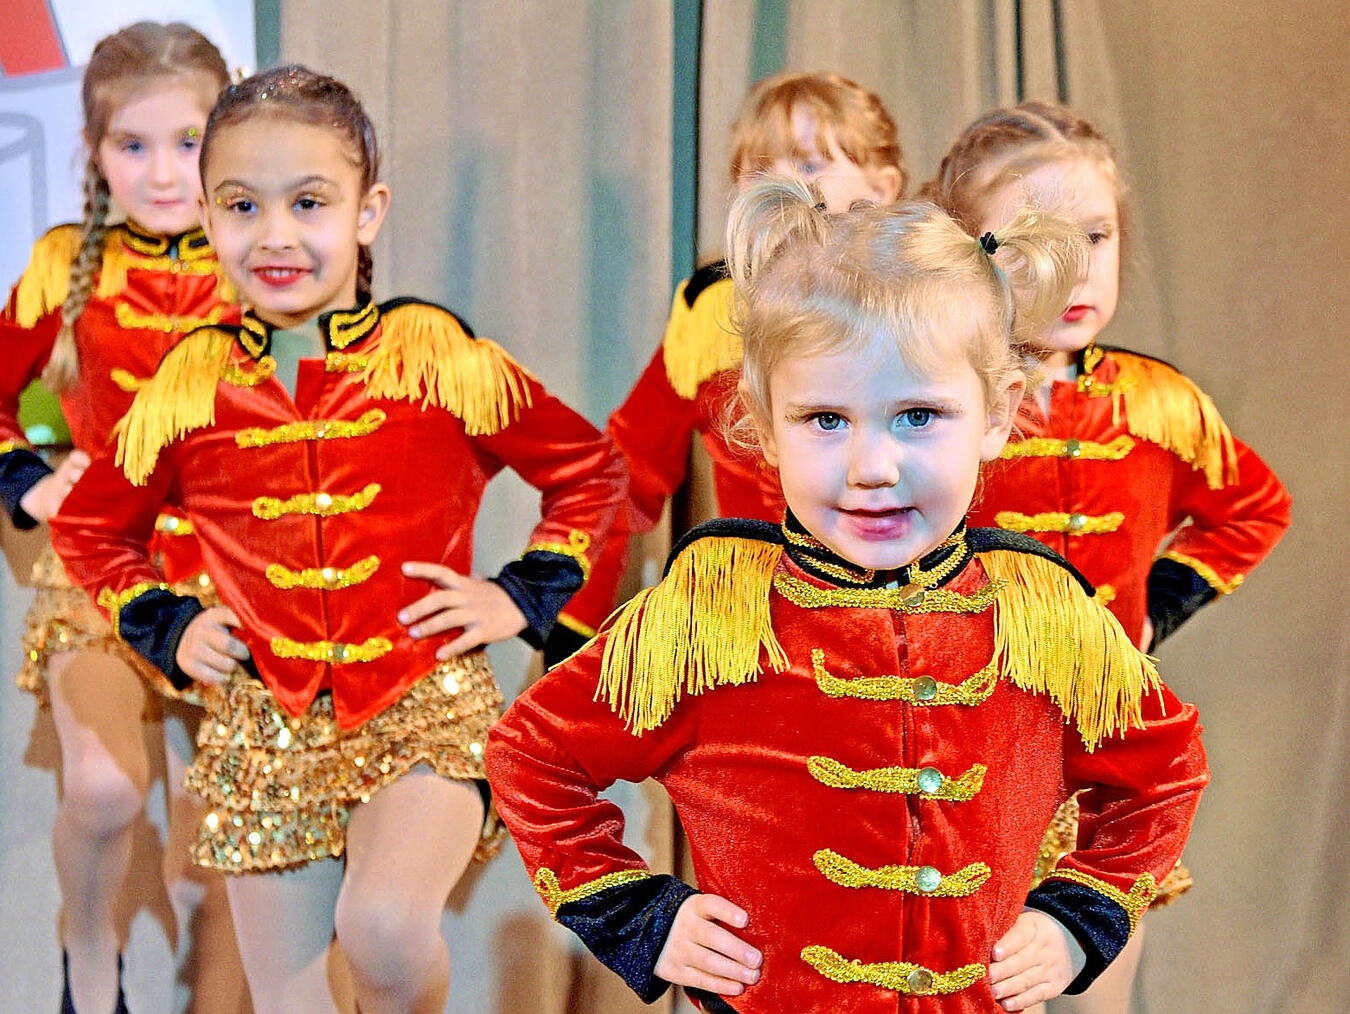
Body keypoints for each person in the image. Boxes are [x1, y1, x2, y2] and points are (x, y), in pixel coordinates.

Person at [484, 178, 1209, 1013]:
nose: (872, 467)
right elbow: (531, 755)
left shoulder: (1042, 616)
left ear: (998, 413)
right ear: (763, 420)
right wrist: (636, 914)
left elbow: (1165, 770)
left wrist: (1080, 919)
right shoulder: (710, 614)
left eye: (918, 416)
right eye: (827, 419)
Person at [50, 64, 624, 1014]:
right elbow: (89, 523)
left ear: (367, 211)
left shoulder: (435, 353)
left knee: (388, 930)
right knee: (292, 1001)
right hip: (263, 721)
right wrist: (161, 622)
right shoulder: (190, 381)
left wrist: (521, 594)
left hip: (423, 700)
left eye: (308, 201)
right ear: (206, 214)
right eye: (242, 206)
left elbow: (590, 470)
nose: (275, 235)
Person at [923, 100, 1291, 1014]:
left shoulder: (1159, 403)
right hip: (966, 754)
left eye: (1097, 234)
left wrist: (1153, 608)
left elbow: (1253, 505)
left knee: (1103, 991)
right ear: (970, 254)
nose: (1077, 268)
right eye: (1037, 240)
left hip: (1109, 756)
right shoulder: (937, 402)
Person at [0, 22, 248, 1014]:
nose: (160, 172)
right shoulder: (66, 264)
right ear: (94, 155)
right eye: (130, 147)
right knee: (102, 793)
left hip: (240, 571)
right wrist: (28, 475)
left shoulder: (263, 257)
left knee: (266, 821)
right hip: (105, 563)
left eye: (187, 142)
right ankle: (89, 958)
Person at [548, 71, 905, 663]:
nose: (787, 186)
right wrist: (574, 622)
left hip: (902, 621)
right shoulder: (713, 315)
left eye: (812, 166)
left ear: (884, 187)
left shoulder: (931, 311)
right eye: (762, 171)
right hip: (754, 629)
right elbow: (625, 472)